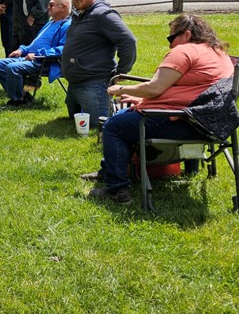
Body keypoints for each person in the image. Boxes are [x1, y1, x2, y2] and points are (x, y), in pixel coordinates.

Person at [88, 15, 235, 204]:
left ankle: (116, 190)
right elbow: (189, 89)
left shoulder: (185, 51)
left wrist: (121, 89)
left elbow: (155, 88)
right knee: (124, 116)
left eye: (171, 38)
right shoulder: (218, 53)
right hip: (212, 123)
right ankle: (110, 170)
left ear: (187, 34)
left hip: (181, 120)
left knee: (113, 127)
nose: (170, 45)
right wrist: (142, 99)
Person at [61, 0, 137, 120]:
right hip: (75, 84)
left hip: (94, 84)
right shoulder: (80, 14)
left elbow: (128, 41)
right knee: (73, 122)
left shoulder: (103, 15)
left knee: (98, 125)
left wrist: (121, 72)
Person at [0, 0, 71, 107]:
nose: (48, 7)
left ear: (63, 7)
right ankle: (22, 95)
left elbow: (63, 49)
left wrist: (37, 55)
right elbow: (34, 44)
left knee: (12, 68)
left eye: (51, 5)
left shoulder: (68, 26)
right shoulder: (51, 23)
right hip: (32, 58)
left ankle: (18, 100)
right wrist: (21, 50)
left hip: (45, 62)